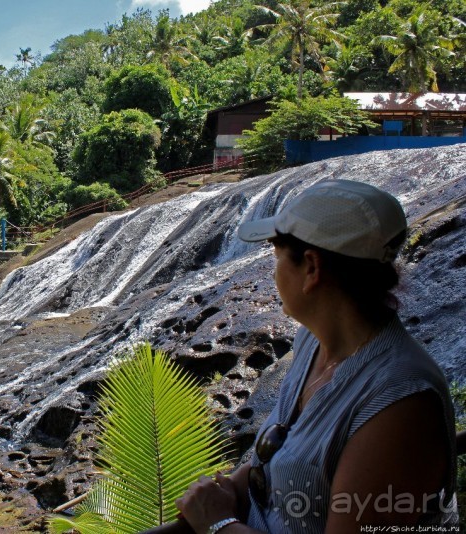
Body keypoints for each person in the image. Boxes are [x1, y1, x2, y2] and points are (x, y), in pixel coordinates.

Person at [173, 179, 458, 533]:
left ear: (311, 268)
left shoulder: (401, 405)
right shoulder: (313, 342)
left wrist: (219, 524)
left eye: (276, 257)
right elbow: (280, 454)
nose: (273, 271)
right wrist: (235, 485)